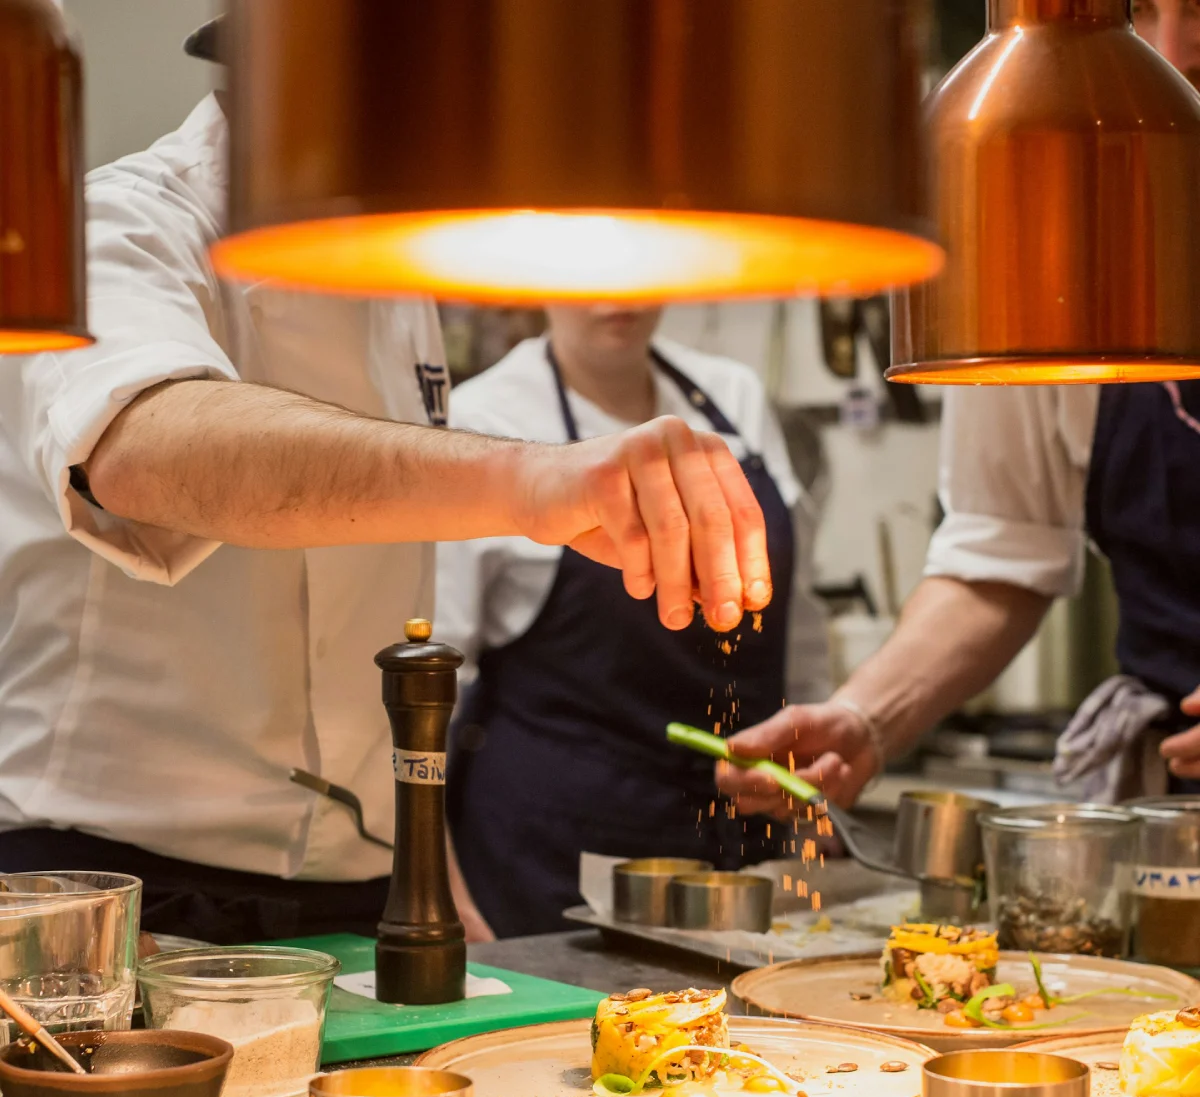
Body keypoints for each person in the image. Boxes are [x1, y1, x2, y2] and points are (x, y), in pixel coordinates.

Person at [0, 54, 772, 943]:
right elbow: (145, 448)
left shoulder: (394, 287)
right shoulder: (118, 223)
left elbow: (380, 631)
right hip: (109, 890)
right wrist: (530, 479)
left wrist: (440, 886)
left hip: (356, 894)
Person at [718, 0, 1200, 819]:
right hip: (1174, 834)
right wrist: (868, 716)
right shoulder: (1046, 232)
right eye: (1144, 12)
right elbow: (999, 556)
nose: (1171, 52)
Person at [438, 304, 829, 937]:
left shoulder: (734, 396)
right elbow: (431, 688)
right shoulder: (483, 420)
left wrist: (810, 780)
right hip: (557, 858)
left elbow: (799, 617)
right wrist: (444, 893)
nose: (611, 298)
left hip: (743, 845)